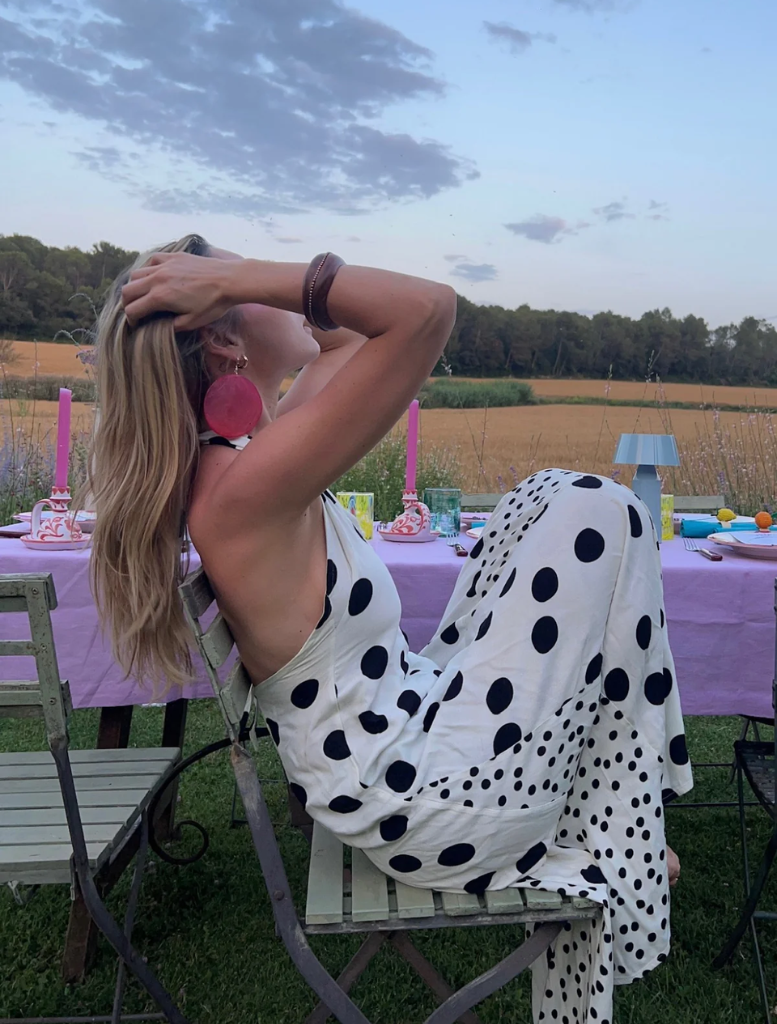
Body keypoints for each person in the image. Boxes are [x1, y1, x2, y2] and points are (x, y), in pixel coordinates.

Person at [89, 234, 692, 1024]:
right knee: (593, 508)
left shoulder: (255, 455)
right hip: (412, 795)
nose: (274, 293)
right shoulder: (243, 490)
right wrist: (238, 278)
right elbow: (425, 311)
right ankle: (621, 806)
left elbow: (342, 335)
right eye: (241, 292)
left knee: (553, 496)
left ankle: (615, 806)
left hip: (411, 746)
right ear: (223, 336)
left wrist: (242, 287)